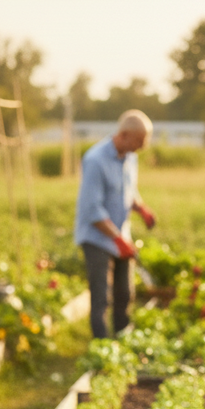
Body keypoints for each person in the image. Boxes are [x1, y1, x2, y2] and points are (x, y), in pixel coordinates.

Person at [74, 109, 156, 339]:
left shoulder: (130, 157)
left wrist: (141, 208)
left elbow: (128, 190)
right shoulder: (95, 160)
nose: (142, 147)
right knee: (102, 296)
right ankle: (100, 345)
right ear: (124, 134)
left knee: (125, 293)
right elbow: (92, 210)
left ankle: (122, 338)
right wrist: (117, 239)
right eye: (139, 141)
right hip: (97, 237)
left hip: (121, 234)